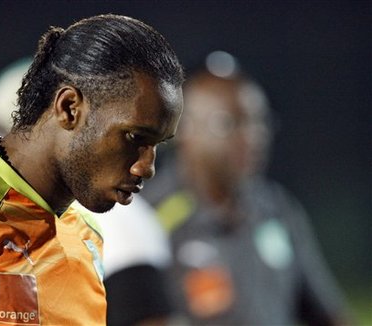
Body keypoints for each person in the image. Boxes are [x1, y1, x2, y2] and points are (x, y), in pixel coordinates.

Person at [0, 14, 184, 325]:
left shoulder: (87, 234)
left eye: (159, 144)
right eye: (134, 137)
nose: (148, 168)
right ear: (68, 108)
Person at [144, 51, 351, 325]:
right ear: (184, 129)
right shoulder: (151, 218)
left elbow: (326, 313)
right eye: (230, 123)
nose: (253, 137)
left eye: (259, 122)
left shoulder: (275, 208)